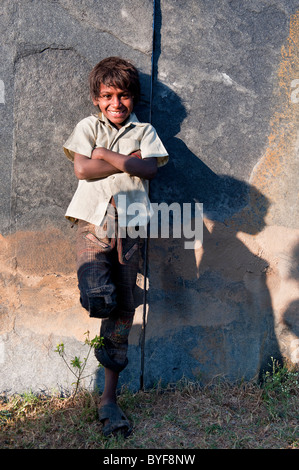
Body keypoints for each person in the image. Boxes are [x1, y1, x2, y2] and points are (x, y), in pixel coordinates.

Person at [63, 57, 168, 437]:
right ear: (96, 99)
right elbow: (81, 169)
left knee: (122, 310)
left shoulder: (145, 131)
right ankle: (98, 300)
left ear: (133, 99)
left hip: (131, 232)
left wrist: (103, 154)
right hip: (93, 225)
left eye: (123, 96)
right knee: (97, 293)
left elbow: (150, 169)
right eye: (108, 96)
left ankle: (109, 399)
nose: (116, 103)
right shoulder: (88, 127)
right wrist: (123, 160)